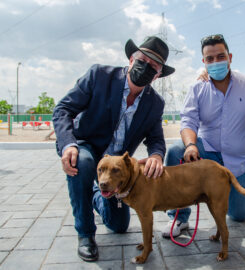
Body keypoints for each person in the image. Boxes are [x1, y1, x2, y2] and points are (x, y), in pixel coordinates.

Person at [52, 36, 175, 262]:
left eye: (154, 66)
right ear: (130, 59)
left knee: (119, 226)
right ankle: (86, 234)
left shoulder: (154, 103)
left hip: (117, 166)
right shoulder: (99, 76)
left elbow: (156, 138)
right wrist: (68, 144)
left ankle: (96, 192)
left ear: (158, 75)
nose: (146, 67)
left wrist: (157, 155)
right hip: (86, 148)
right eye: (142, 59)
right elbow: (62, 110)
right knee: (84, 163)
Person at [161, 34, 245, 238]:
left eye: (220, 56)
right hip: (208, 152)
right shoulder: (197, 87)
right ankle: (178, 217)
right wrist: (191, 146)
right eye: (210, 59)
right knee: (176, 150)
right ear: (203, 62)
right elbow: (188, 121)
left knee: (239, 215)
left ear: (230, 57)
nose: (216, 62)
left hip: (239, 161)